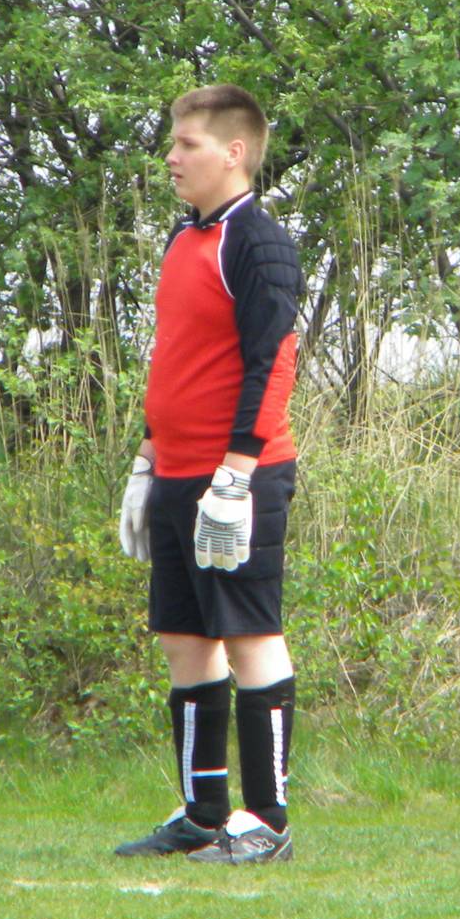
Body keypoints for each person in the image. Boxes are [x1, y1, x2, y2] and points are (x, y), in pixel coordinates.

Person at [113, 83, 302, 865]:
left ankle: (267, 822)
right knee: (185, 641)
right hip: (177, 474)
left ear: (233, 152)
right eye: (173, 143)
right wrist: (147, 459)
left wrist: (236, 475)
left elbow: (274, 362)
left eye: (186, 145)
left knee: (250, 636)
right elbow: (176, 360)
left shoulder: (257, 243)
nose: (171, 158)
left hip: (238, 480)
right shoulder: (183, 238)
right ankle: (203, 814)